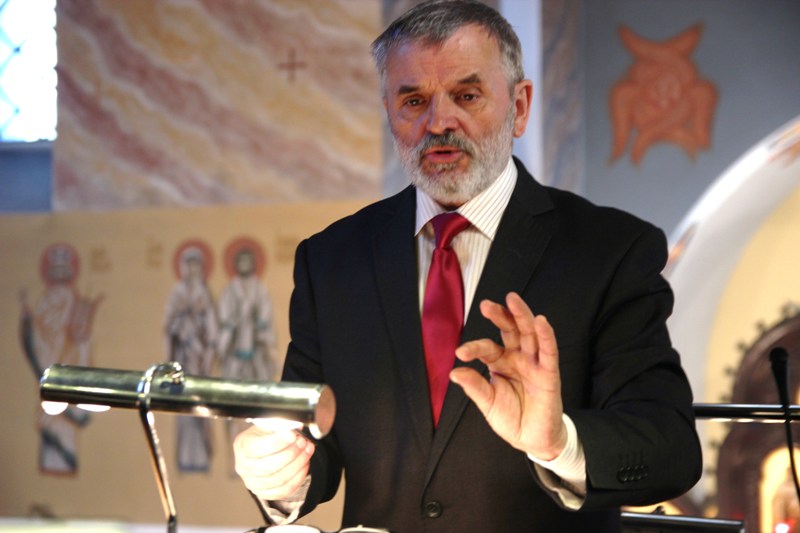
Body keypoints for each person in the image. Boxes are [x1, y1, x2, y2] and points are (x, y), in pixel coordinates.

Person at [234, 1, 702, 531]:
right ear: (389, 111)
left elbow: (670, 448)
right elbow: (311, 440)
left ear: (519, 107)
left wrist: (559, 443)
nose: (439, 122)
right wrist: (278, 474)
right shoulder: (331, 260)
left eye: (467, 95)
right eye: (414, 100)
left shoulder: (610, 251)